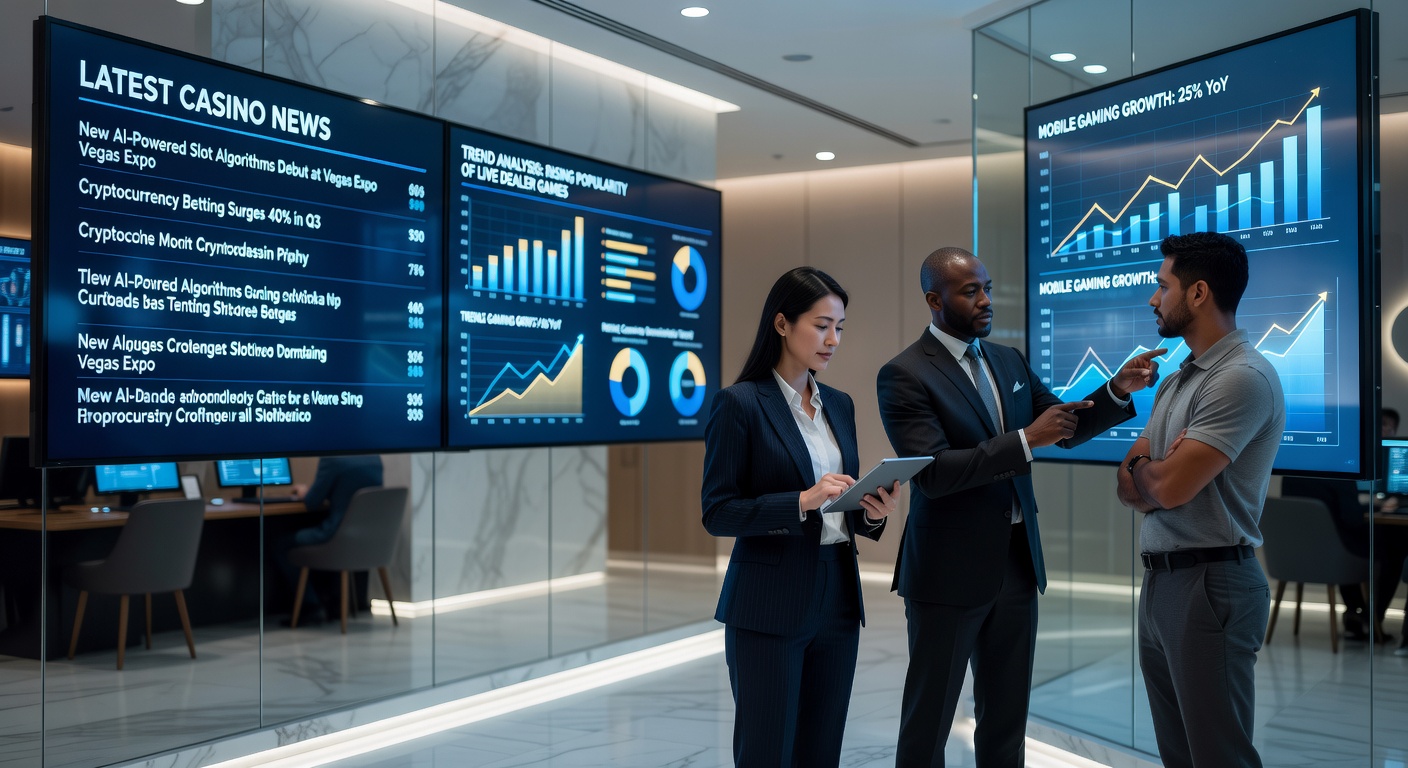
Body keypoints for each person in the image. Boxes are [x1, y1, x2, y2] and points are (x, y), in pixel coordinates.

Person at [878, 246, 1162, 767]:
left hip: (1015, 563)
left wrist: (1117, 390)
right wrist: (1026, 441)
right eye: (972, 291)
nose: (987, 300)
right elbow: (936, 473)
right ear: (933, 300)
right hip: (946, 574)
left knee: (1006, 721)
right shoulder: (904, 374)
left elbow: (1064, 426)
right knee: (929, 722)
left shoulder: (1006, 360)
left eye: (987, 287)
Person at [701, 266, 898, 767]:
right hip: (768, 602)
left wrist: (872, 512)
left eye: (840, 328)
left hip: (837, 596)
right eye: (822, 325)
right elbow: (717, 512)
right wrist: (801, 501)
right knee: (766, 751)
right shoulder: (739, 404)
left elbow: (841, 511)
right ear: (782, 324)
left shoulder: (839, 404)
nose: (833, 340)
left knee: (821, 749)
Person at [1116, 232, 1285, 768]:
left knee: (1218, 756)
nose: (1152, 298)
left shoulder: (1241, 378)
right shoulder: (1174, 381)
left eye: (1161, 285)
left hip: (1212, 584)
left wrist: (1146, 470)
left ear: (1198, 293)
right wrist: (1150, 472)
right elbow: (1129, 485)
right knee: (1179, 755)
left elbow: (1166, 487)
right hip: (1164, 579)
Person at [278, 454, 384, 623]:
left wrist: (305, 492)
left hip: (336, 537)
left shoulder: (332, 459)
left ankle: (311, 605)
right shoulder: (373, 457)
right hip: (367, 540)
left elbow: (312, 502)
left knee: (281, 544)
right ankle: (330, 603)